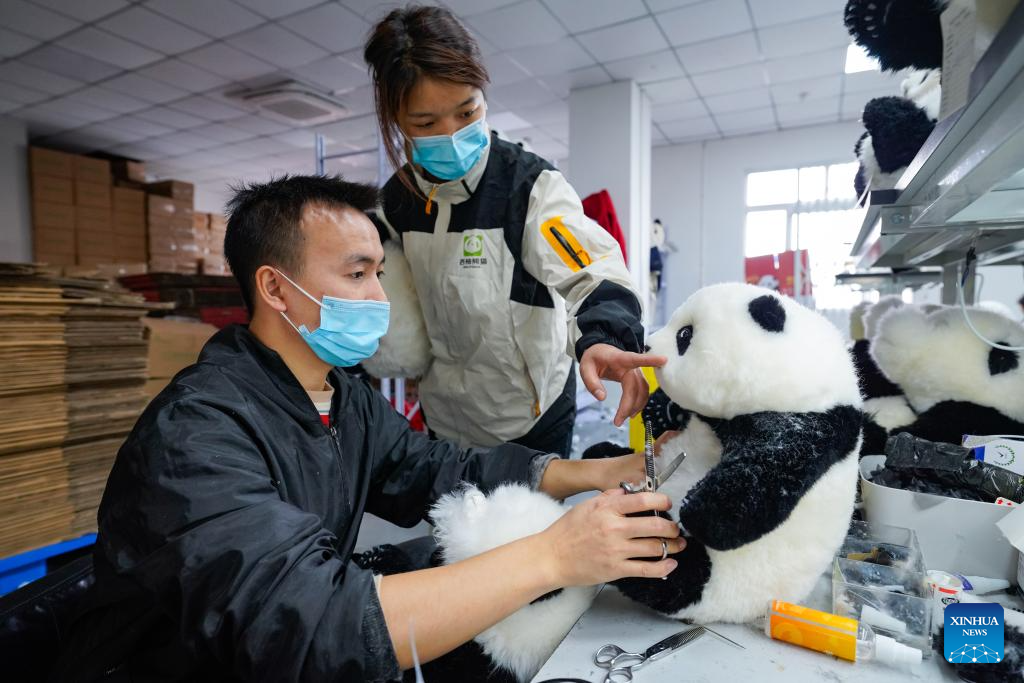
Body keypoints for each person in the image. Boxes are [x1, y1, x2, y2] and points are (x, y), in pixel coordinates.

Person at [52, 176, 682, 682]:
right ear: (275, 287)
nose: (380, 297)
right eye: (357, 275)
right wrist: (554, 556)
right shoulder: (198, 434)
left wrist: (596, 472)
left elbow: (431, 468)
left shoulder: (341, 396)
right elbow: (312, 630)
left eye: (379, 273)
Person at [365, 5, 660, 452]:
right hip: (447, 422)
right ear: (396, 122)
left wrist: (605, 336)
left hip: (532, 420)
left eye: (466, 113)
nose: (450, 134)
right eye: (425, 124)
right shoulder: (396, 204)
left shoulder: (529, 188)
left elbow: (593, 267)